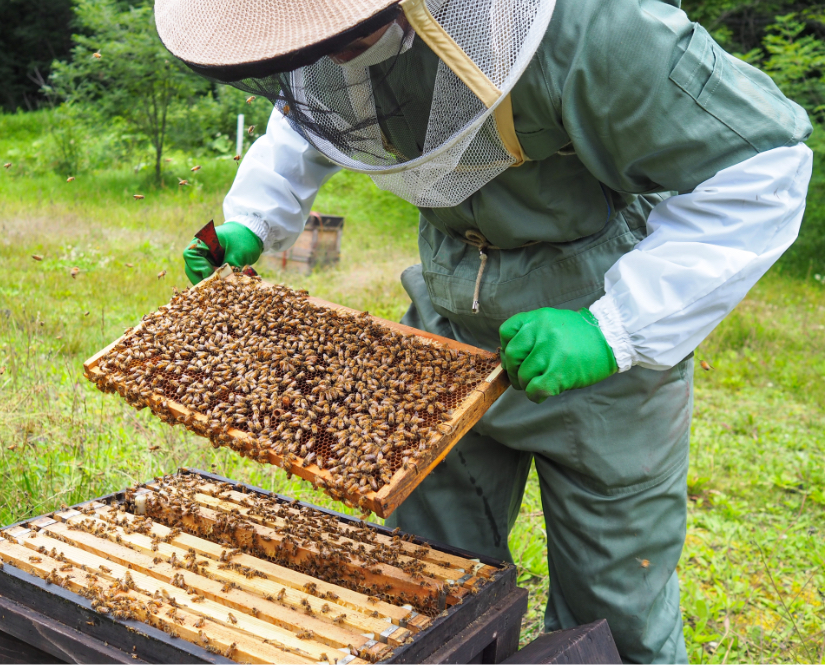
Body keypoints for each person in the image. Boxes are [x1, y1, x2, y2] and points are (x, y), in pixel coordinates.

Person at [159, 0, 813, 660]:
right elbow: (309, 118)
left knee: (614, 614)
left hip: (601, 350)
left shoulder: (599, 27)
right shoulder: (328, 48)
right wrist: (251, 219)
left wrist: (618, 325)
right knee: (424, 579)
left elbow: (759, 166)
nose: (320, 49)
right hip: (445, 337)